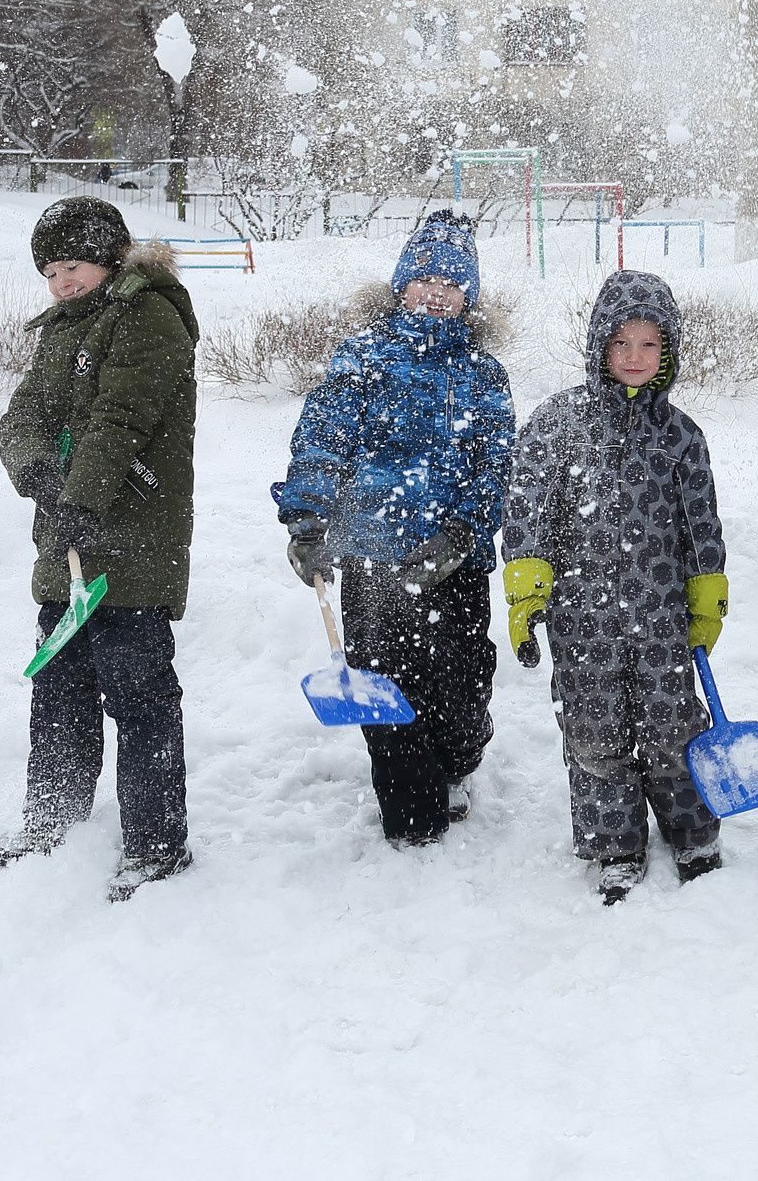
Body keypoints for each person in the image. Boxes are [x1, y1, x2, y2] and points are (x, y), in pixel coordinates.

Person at [272, 210, 513, 847]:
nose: (436, 292)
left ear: (469, 298)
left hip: (452, 562)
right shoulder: (361, 359)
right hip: (374, 557)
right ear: (401, 285)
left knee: (459, 678)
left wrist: (463, 533)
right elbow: (322, 441)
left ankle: (458, 760)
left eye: (451, 284)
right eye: (424, 280)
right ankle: (412, 812)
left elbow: (498, 466)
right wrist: (307, 519)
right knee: (382, 679)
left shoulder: (482, 375)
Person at [0, 195, 200, 901]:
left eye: (72, 266)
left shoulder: (148, 316)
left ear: (109, 256)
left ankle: (155, 844)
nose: (61, 282)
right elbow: (24, 413)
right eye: (49, 272)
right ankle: (52, 821)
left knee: (139, 697)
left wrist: (83, 497)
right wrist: (39, 476)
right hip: (67, 549)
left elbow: (121, 418)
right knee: (59, 692)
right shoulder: (62, 328)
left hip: (133, 546)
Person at [503, 272, 730, 903]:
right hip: (581, 616)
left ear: (670, 352)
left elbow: (700, 524)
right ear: (599, 345)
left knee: (673, 725)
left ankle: (691, 832)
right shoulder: (557, 424)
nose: (635, 358)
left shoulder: (681, 435)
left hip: (659, 612)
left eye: (651, 345)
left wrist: (707, 591)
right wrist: (526, 592)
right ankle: (616, 842)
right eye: (623, 343)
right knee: (594, 732)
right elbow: (526, 514)